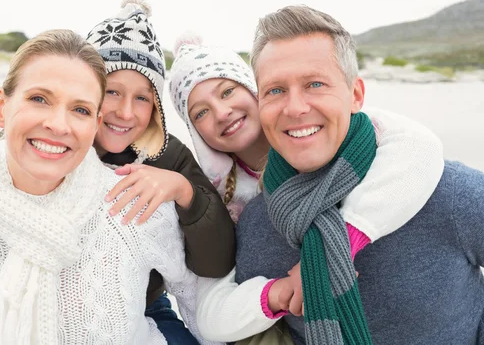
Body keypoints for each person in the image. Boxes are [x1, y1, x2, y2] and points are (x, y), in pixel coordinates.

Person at [0, 0, 234, 344]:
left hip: (143, 299)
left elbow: (206, 270)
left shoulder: (166, 156)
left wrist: (183, 190)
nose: (125, 113)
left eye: (142, 98)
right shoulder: (25, 142)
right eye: (112, 92)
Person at [168, 33, 446, 344]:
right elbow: (212, 310)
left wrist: (331, 253)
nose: (221, 112)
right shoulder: (220, 201)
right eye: (200, 113)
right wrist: (283, 291)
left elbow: (419, 146)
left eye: (228, 91)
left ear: (256, 90)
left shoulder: (338, 138)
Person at [230, 5, 484, 344]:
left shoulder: (447, 193)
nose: (295, 108)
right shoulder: (258, 224)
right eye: (275, 90)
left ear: (355, 95)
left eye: (315, 84)